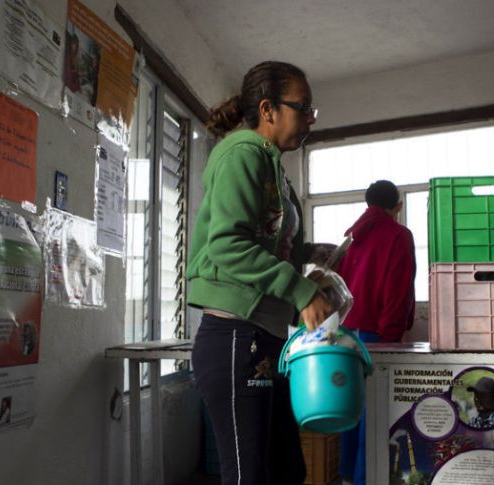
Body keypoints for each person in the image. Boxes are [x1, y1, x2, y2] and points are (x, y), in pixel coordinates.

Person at [188, 61, 332, 485]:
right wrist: (300, 290)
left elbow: (264, 239)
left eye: (311, 111)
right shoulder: (242, 154)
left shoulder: (272, 166)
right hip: (236, 339)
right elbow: (228, 244)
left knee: (287, 470)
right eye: (303, 108)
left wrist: (308, 254)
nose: (309, 119)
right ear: (268, 109)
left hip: (264, 338)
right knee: (249, 476)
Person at [335, 179, 416, 485]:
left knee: (350, 409)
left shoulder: (353, 237)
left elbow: (338, 290)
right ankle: (364, 479)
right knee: (375, 414)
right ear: (398, 205)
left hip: (345, 334)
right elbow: (397, 288)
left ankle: (346, 476)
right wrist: (392, 335)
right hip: (376, 334)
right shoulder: (398, 234)